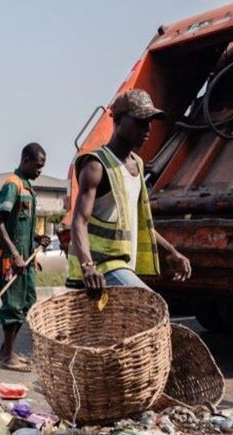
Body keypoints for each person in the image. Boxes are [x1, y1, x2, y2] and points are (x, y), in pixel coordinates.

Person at [67, 89, 191, 292]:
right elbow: (78, 221)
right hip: (101, 268)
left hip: (124, 267)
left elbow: (141, 224)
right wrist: (87, 266)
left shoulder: (138, 165)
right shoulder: (96, 166)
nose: (148, 129)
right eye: (140, 121)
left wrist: (171, 252)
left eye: (150, 121)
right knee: (152, 308)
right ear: (118, 121)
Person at [0, 143, 47, 371]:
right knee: (12, 306)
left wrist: (36, 239)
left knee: (27, 303)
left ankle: (6, 351)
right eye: (37, 166)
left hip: (27, 260)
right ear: (25, 160)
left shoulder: (28, 188)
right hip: (10, 260)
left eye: (42, 167)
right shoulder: (12, 185)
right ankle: (8, 356)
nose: (40, 171)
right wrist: (14, 255)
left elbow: (19, 226)